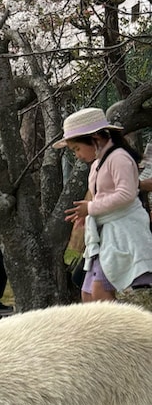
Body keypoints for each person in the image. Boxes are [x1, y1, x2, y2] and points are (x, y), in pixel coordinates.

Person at [59, 107, 152, 301]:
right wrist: (86, 214)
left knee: (100, 293)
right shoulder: (97, 164)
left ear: (95, 138)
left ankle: (118, 331)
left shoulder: (119, 158)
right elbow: (101, 195)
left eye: (77, 148)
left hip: (121, 233)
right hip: (105, 235)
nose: (77, 154)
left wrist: (91, 208)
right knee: (87, 293)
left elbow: (127, 193)